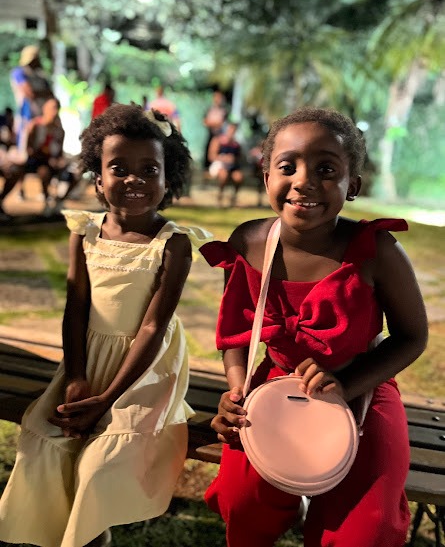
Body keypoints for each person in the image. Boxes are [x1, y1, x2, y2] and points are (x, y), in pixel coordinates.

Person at [199, 107, 428, 547]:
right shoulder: (249, 242)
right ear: (266, 175)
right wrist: (237, 391)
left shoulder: (376, 251)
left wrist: (345, 384)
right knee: (242, 502)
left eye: (326, 169)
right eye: (288, 167)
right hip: (272, 387)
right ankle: (285, 504)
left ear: (352, 185)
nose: (304, 181)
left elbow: (412, 336)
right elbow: (236, 333)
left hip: (362, 387)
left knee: (367, 527)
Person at [0, 103, 212, 547]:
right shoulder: (85, 232)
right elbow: (75, 309)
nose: (134, 179)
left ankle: (90, 535)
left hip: (144, 371)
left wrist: (106, 399)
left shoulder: (172, 245)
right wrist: (76, 377)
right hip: (87, 360)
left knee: (99, 463)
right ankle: (73, 536)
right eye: (119, 168)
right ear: (97, 178)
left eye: (149, 170)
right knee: (44, 439)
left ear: (167, 179)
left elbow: (153, 328)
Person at [9, 45, 53, 156]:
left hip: (41, 112)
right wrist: (42, 93)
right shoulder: (19, 72)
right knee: (26, 141)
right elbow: (28, 92)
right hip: (27, 111)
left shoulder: (40, 75)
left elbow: (50, 93)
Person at [208, 122, 244, 207]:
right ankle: (220, 196)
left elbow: (239, 158)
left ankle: (234, 198)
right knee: (223, 175)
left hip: (231, 167)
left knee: (239, 177)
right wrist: (223, 158)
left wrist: (233, 159)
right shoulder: (217, 140)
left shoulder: (236, 144)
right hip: (218, 165)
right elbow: (211, 156)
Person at [202, 88, 228, 171]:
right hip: (210, 134)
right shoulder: (209, 109)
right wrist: (214, 123)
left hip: (219, 135)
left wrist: (212, 122)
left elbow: (222, 123)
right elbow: (205, 121)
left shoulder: (224, 111)